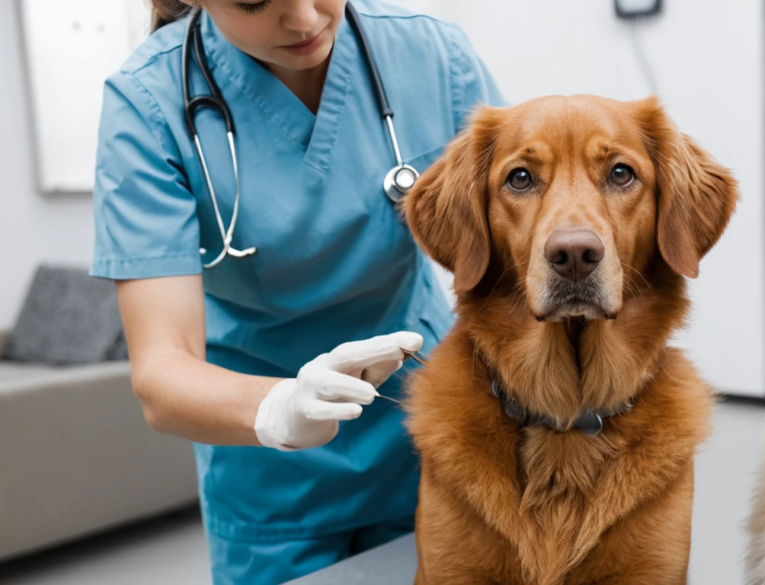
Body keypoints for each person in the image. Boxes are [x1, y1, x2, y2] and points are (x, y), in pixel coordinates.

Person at [90, 0, 502, 582]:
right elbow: (161, 373)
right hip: (268, 471)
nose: (305, 20)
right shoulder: (147, 102)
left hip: (430, 435)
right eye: (256, 2)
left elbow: (520, 253)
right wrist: (280, 409)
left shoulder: (431, 56)